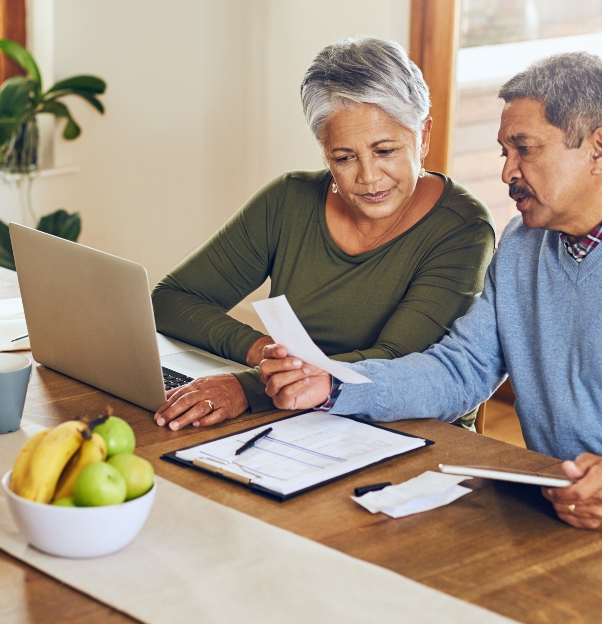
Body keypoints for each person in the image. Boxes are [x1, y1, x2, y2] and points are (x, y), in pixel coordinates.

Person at [259, 52, 602, 531]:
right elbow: (460, 370)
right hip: (573, 510)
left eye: (524, 149)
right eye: (504, 152)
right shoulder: (523, 244)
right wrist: (335, 385)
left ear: (599, 149)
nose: (507, 173)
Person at [150, 37, 495, 431]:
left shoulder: (463, 228)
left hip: (409, 431)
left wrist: (251, 387)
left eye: (385, 151)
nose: (369, 177)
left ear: (424, 135)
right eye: (344, 157)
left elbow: (397, 362)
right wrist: (264, 354)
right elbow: (171, 300)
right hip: (295, 419)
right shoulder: (289, 200)